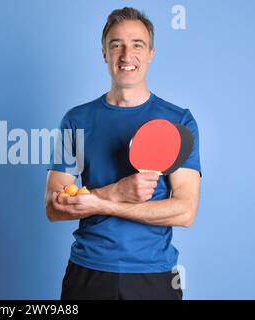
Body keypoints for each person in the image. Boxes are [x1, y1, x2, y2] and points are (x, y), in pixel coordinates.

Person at [45, 7, 201, 300]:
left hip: (155, 275)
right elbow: (53, 207)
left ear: (151, 53)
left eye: (137, 45)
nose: (126, 55)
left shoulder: (179, 121)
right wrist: (116, 191)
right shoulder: (76, 120)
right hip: (87, 273)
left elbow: (185, 210)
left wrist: (103, 204)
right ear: (104, 54)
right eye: (116, 45)